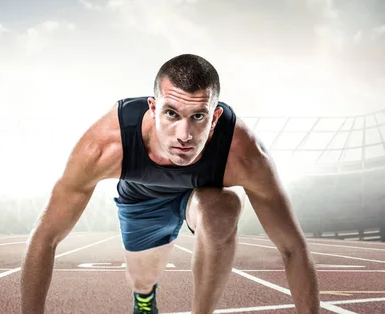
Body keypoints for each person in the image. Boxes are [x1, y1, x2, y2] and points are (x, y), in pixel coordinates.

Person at [20, 54, 320, 314]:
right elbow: (45, 237)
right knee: (143, 280)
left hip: (202, 197)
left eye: (198, 116)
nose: (184, 135)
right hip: (142, 201)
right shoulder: (106, 146)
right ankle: (144, 298)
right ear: (153, 108)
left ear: (215, 117)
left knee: (224, 209)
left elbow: (293, 247)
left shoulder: (245, 156)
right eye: (172, 114)